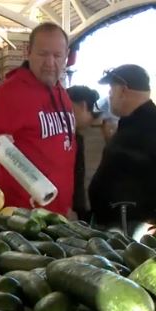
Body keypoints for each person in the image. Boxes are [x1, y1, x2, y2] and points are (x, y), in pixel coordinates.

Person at [0, 22, 76, 215]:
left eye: (57, 55)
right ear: (28, 52)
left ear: (66, 56)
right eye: (43, 54)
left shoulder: (62, 92)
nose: (50, 63)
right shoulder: (10, 93)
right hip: (22, 216)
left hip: (59, 213)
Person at [88, 64, 156, 233]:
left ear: (123, 90)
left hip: (136, 227)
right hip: (119, 223)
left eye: (111, 90)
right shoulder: (130, 123)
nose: (109, 95)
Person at [67, 85, 106, 222]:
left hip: (102, 210)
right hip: (75, 209)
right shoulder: (68, 133)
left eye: (68, 108)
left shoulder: (106, 130)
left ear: (83, 106)